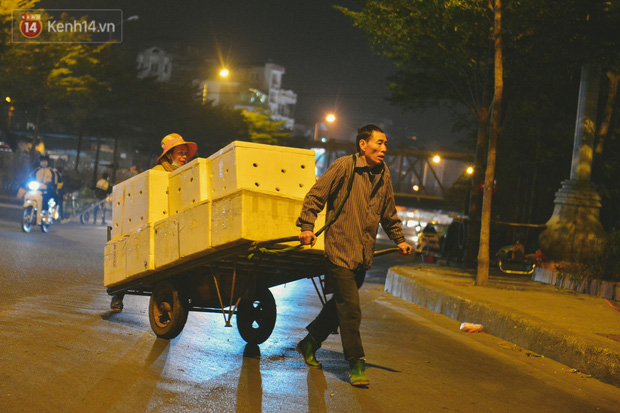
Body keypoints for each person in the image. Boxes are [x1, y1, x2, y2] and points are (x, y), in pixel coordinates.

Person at [295, 124, 413, 387]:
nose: (384, 148)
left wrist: (400, 240)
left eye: (385, 144)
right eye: (379, 143)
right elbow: (315, 196)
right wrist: (306, 227)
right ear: (363, 145)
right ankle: (356, 364)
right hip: (339, 249)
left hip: (362, 254)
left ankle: (310, 342)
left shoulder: (384, 175)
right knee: (350, 307)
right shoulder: (344, 166)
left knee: (340, 304)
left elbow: (388, 213)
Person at [110, 133, 197, 313]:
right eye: (180, 153)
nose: (184, 157)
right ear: (168, 155)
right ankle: (119, 293)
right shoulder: (156, 174)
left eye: (185, 153)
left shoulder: (188, 173)